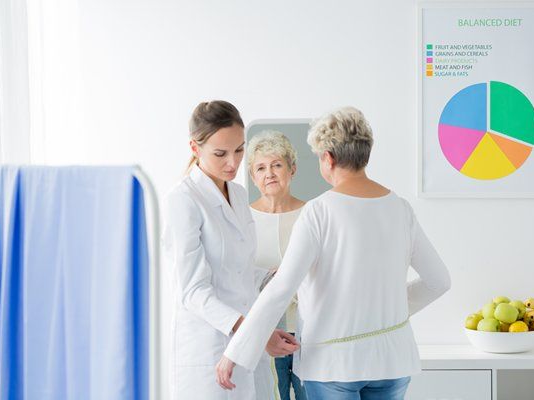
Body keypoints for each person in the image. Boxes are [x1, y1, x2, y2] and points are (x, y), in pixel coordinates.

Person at [216, 107, 451, 399]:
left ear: (328, 158)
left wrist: (235, 351)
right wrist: (385, 312)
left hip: (333, 366)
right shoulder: (400, 208)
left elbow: (281, 288)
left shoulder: (319, 211)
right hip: (394, 362)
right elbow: (439, 281)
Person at [163, 100, 299, 400]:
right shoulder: (183, 200)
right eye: (220, 153)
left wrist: (275, 276)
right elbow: (193, 290)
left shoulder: (237, 193)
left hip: (247, 349)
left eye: (239, 150)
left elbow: (238, 269)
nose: (233, 163)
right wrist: (255, 333)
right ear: (195, 148)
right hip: (209, 349)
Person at [247, 131, 307, 400]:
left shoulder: (312, 213)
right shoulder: (243, 218)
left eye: (277, 165)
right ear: (253, 176)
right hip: (265, 330)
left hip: (309, 328)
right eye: (261, 167)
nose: (269, 173)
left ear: (292, 169)